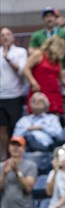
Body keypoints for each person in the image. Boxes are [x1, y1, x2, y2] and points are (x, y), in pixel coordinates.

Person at [23, 39, 65, 120]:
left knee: (55, 119)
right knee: (38, 118)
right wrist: (33, 82)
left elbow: (63, 78)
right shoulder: (39, 54)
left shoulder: (57, 59)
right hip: (40, 91)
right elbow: (26, 68)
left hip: (54, 93)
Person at [0, 29, 28, 159]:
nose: (5, 37)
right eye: (2, 35)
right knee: (2, 127)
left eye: (8, 35)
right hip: (1, 95)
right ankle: (4, 155)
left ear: (13, 37)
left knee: (14, 127)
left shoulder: (20, 52)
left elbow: (21, 70)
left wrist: (7, 58)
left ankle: (15, 155)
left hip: (15, 95)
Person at [0, 137, 37, 208]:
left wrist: (17, 171)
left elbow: (28, 188)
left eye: (18, 145)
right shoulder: (1, 166)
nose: (15, 148)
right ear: (8, 147)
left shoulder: (31, 165)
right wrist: (4, 174)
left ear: (24, 148)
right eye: (13, 145)